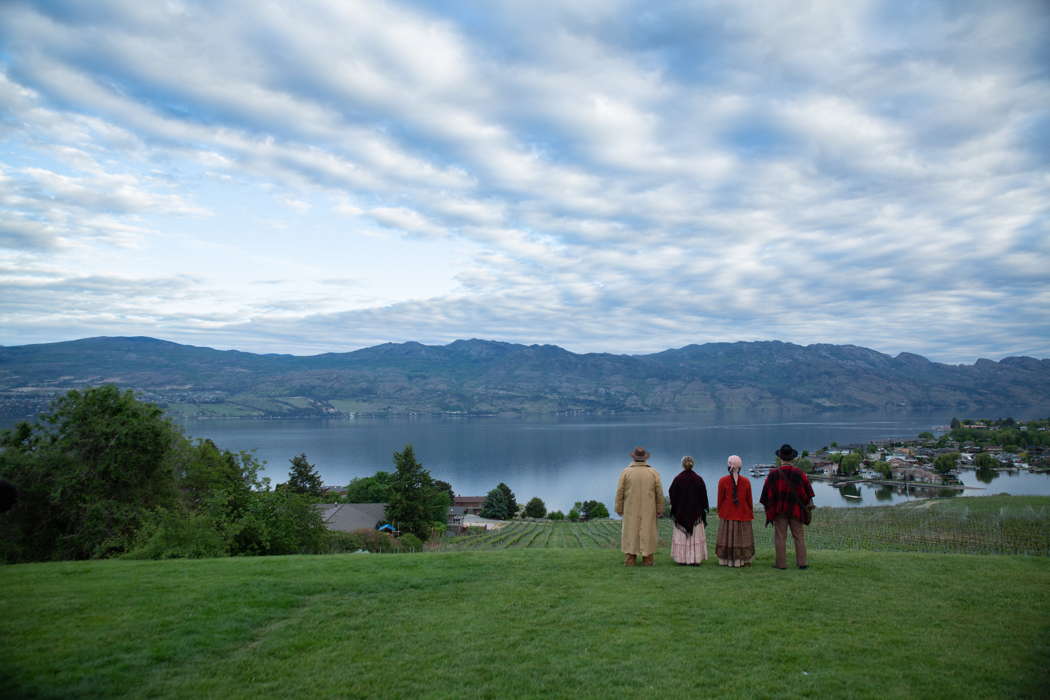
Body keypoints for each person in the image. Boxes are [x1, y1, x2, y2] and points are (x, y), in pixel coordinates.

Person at [759, 444, 815, 570]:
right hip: (796, 510)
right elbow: (809, 494)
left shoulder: (773, 474)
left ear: (780, 458)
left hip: (779, 512)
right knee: (799, 537)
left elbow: (765, 496)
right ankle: (802, 563)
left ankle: (781, 564)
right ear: (793, 459)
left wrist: (771, 508)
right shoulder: (800, 474)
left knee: (780, 537)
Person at [615, 446, 665, 566]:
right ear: (645, 459)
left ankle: (630, 559)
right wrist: (660, 509)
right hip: (649, 509)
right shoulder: (653, 472)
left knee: (630, 532)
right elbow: (659, 493)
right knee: (648, 531)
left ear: (634, 458)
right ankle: (648, 559)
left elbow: (619, 492)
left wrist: (619, 508)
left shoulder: (626, 472)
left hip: (630, 508)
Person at [716, 455, 755, 567]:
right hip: (743, 514)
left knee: (727, 538)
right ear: (740, 467)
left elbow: (720, 499)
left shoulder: (722, 481)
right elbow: (749, 500)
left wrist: (720, 511)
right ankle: (742, 561)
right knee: (742, 539)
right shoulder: (746, 481)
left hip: (727, 514)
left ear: (728, 466)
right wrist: (750, 512)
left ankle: (726, 560)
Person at [668, 456, 709, 565]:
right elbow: (704, 498)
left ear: (682, 465)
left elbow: (672, 495)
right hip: (696, 515)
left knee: (682, 536)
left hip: (681, 514)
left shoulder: (677, 479)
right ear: (692, 465)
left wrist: (676, 507)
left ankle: (681, 559)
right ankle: (695, 559)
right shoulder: (698, 479)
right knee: (695, 536)